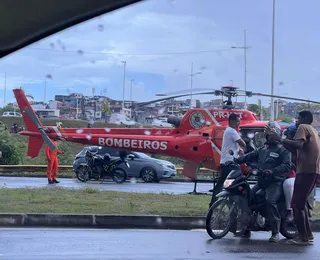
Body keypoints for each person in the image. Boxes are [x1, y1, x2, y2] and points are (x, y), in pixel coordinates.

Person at [267, 110, 320, 245]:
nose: (296, 121)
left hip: (306, 171)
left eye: (298, 118)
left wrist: (279, 138)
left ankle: (303, 237)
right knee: (301, 205)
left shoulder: (303, 127)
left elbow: (298, 145)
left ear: (304, 119)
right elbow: (296, 150)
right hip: (311, 170)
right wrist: (280, 140)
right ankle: (307, 235)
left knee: (296, 205)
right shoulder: (313, 131)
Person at [235, 121, 291, 242]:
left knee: (270, 201)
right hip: (261, 182)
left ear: (277, 134)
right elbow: (250, 155)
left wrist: (273, 171)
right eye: (268, 134)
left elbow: (287, 166)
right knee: (249, 197)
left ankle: (275, 233)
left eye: (272, 134)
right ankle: (247, 227)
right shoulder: (263, 149)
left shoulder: (283, 150)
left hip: (275, 182)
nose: (269, 137)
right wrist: (236, 160)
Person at [209, 113, 246, 207]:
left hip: (226, 163)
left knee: (221, 185)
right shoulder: (232, 131)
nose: (239, 123)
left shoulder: (228, 131)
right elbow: (243, 143)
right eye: (238, 121)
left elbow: (233, 146)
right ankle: (237, 206)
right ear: (232, 121)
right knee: (240, 184)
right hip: (231, 164)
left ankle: (214, 204)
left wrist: (238, 150)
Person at [282, 124, 297, 223]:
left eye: (290, 136)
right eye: (287, 136)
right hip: (276, 174)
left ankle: (289, 210)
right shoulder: (282, 146)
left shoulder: (297, 148)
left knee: (288, 184)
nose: (288, 138)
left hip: (290, 175)